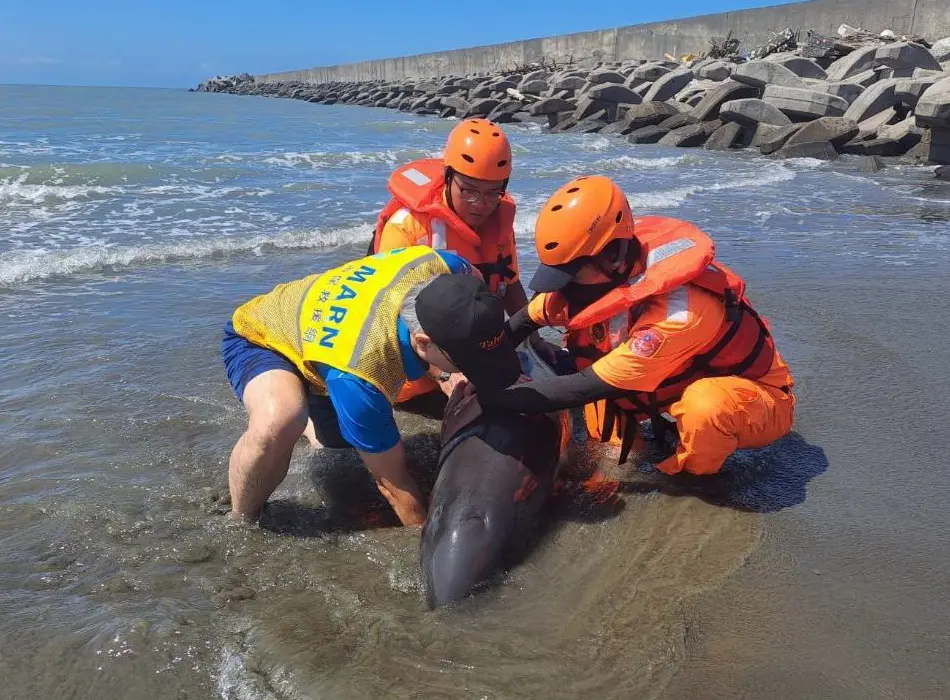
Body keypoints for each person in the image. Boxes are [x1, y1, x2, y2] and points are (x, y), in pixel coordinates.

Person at [477, 175, 796, 478]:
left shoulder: (680, 312)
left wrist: (496, 398)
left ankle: (697, 480)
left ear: (613, 256)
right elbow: (522, 323)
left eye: (573, 272)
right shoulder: (588, 280)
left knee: (705, 406)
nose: (565, 286)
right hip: (665, 382)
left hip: (753, 399)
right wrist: (476, 366)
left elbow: (583, 386)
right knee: (606, 455)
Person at [221, 245, 522, 526]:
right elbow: (394, 485)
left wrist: (450, 370)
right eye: (469, 361)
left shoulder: (446, 265)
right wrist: (422, 536)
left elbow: (477, 285)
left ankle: (310, 419)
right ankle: (241, 517)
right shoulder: (363, 375)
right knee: (282, 419)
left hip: (325, 339)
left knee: (337, 451)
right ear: (423, 343)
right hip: (262, 336)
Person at [367, 117, 553, 403]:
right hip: (419, 353)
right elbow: (389, 316)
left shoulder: (499, 222)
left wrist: (535, 340)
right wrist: (443, 373)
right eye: (469, 190)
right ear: (448, 176)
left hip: (469, 344)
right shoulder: (406, 227)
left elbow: (509, 285)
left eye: (493, 192)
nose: (481, 204)